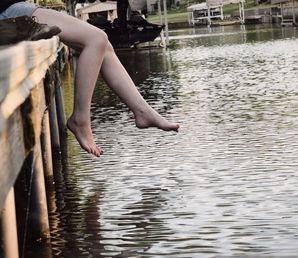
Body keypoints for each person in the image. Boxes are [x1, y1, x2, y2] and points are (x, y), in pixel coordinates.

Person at [0, 1, 180, 157]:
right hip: (6, 11)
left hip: (13, 8)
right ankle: (80, 119)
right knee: (96, 39)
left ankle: (142, 111)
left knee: (104, 45)